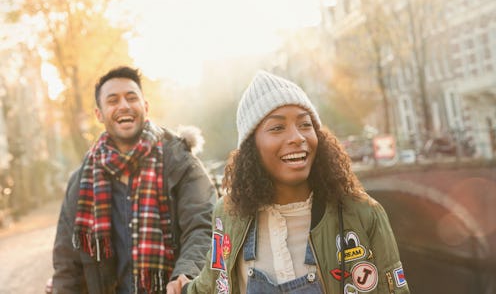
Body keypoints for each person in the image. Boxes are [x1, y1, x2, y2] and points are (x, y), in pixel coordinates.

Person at [177, 70, 410, 293]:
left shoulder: (363, 213)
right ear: (251, 147)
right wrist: (183, 287)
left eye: (305, 125)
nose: (297, 138)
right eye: (277, 128)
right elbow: (214, 280)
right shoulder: (228, 213)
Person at [51, 66, 217, 293]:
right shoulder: (82, 180)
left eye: (131, 98)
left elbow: (203, 225)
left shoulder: (180, 162)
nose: (124, 106)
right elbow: (67, 261)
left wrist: (187, 273)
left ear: (145, 107)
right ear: (99, 114)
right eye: (113, 100)